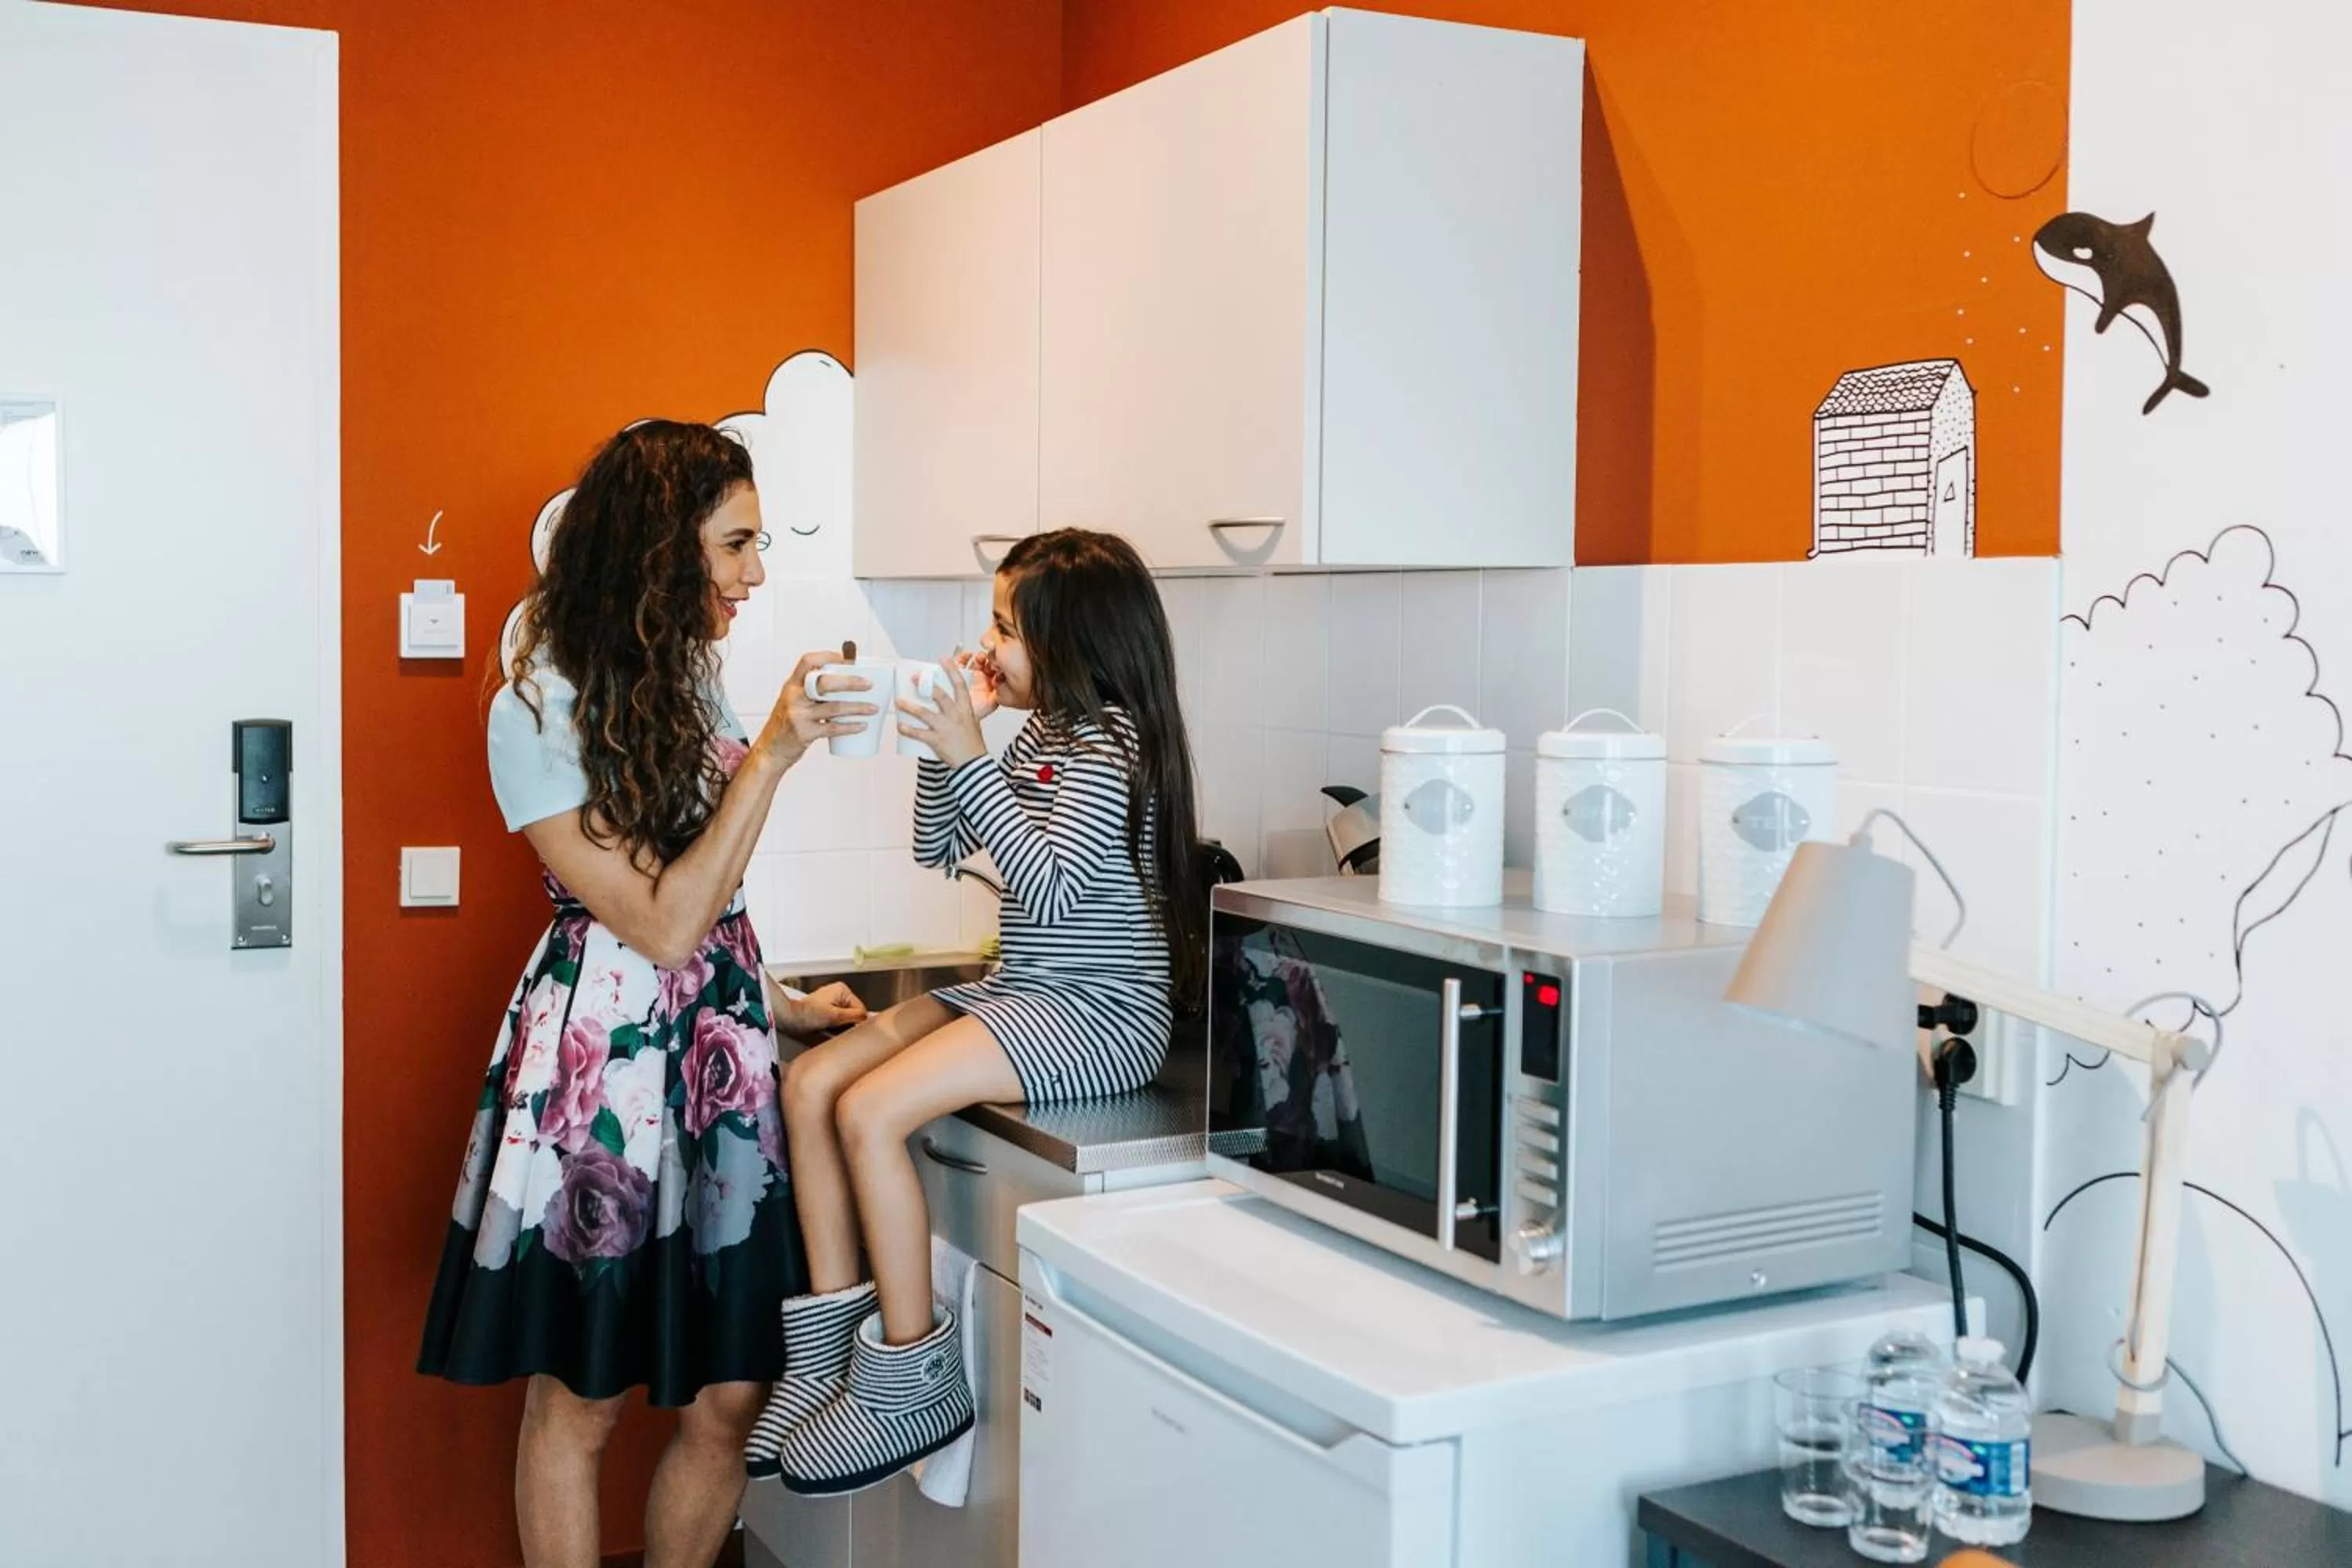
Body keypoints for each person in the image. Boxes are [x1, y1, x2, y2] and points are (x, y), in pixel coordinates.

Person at [418, 420, 877, 1568]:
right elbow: (662, 921)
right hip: (603, 1069)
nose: (755, 573)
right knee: (583, 1401)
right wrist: (768, 756)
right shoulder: (535, 702)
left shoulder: (688, 676)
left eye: (759, 544)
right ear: (663, 546)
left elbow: (706, 905)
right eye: (735, 544)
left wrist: (773, 1003)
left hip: (718, 1054)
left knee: (728, 1397)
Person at [743, 528, 1203, 1495]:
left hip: (1098, 1011)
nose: (987, 644)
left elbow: (1047, 887)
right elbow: (936, 848)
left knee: (869, 1111)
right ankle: (831, 1352)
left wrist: (969, 752)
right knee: (813, 1079)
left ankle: (911, 1375)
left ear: (1071, 639)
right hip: (1027, 988)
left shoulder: (1112, 744)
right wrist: (950, 748)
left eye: (1006, 626)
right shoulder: (1042, 734)